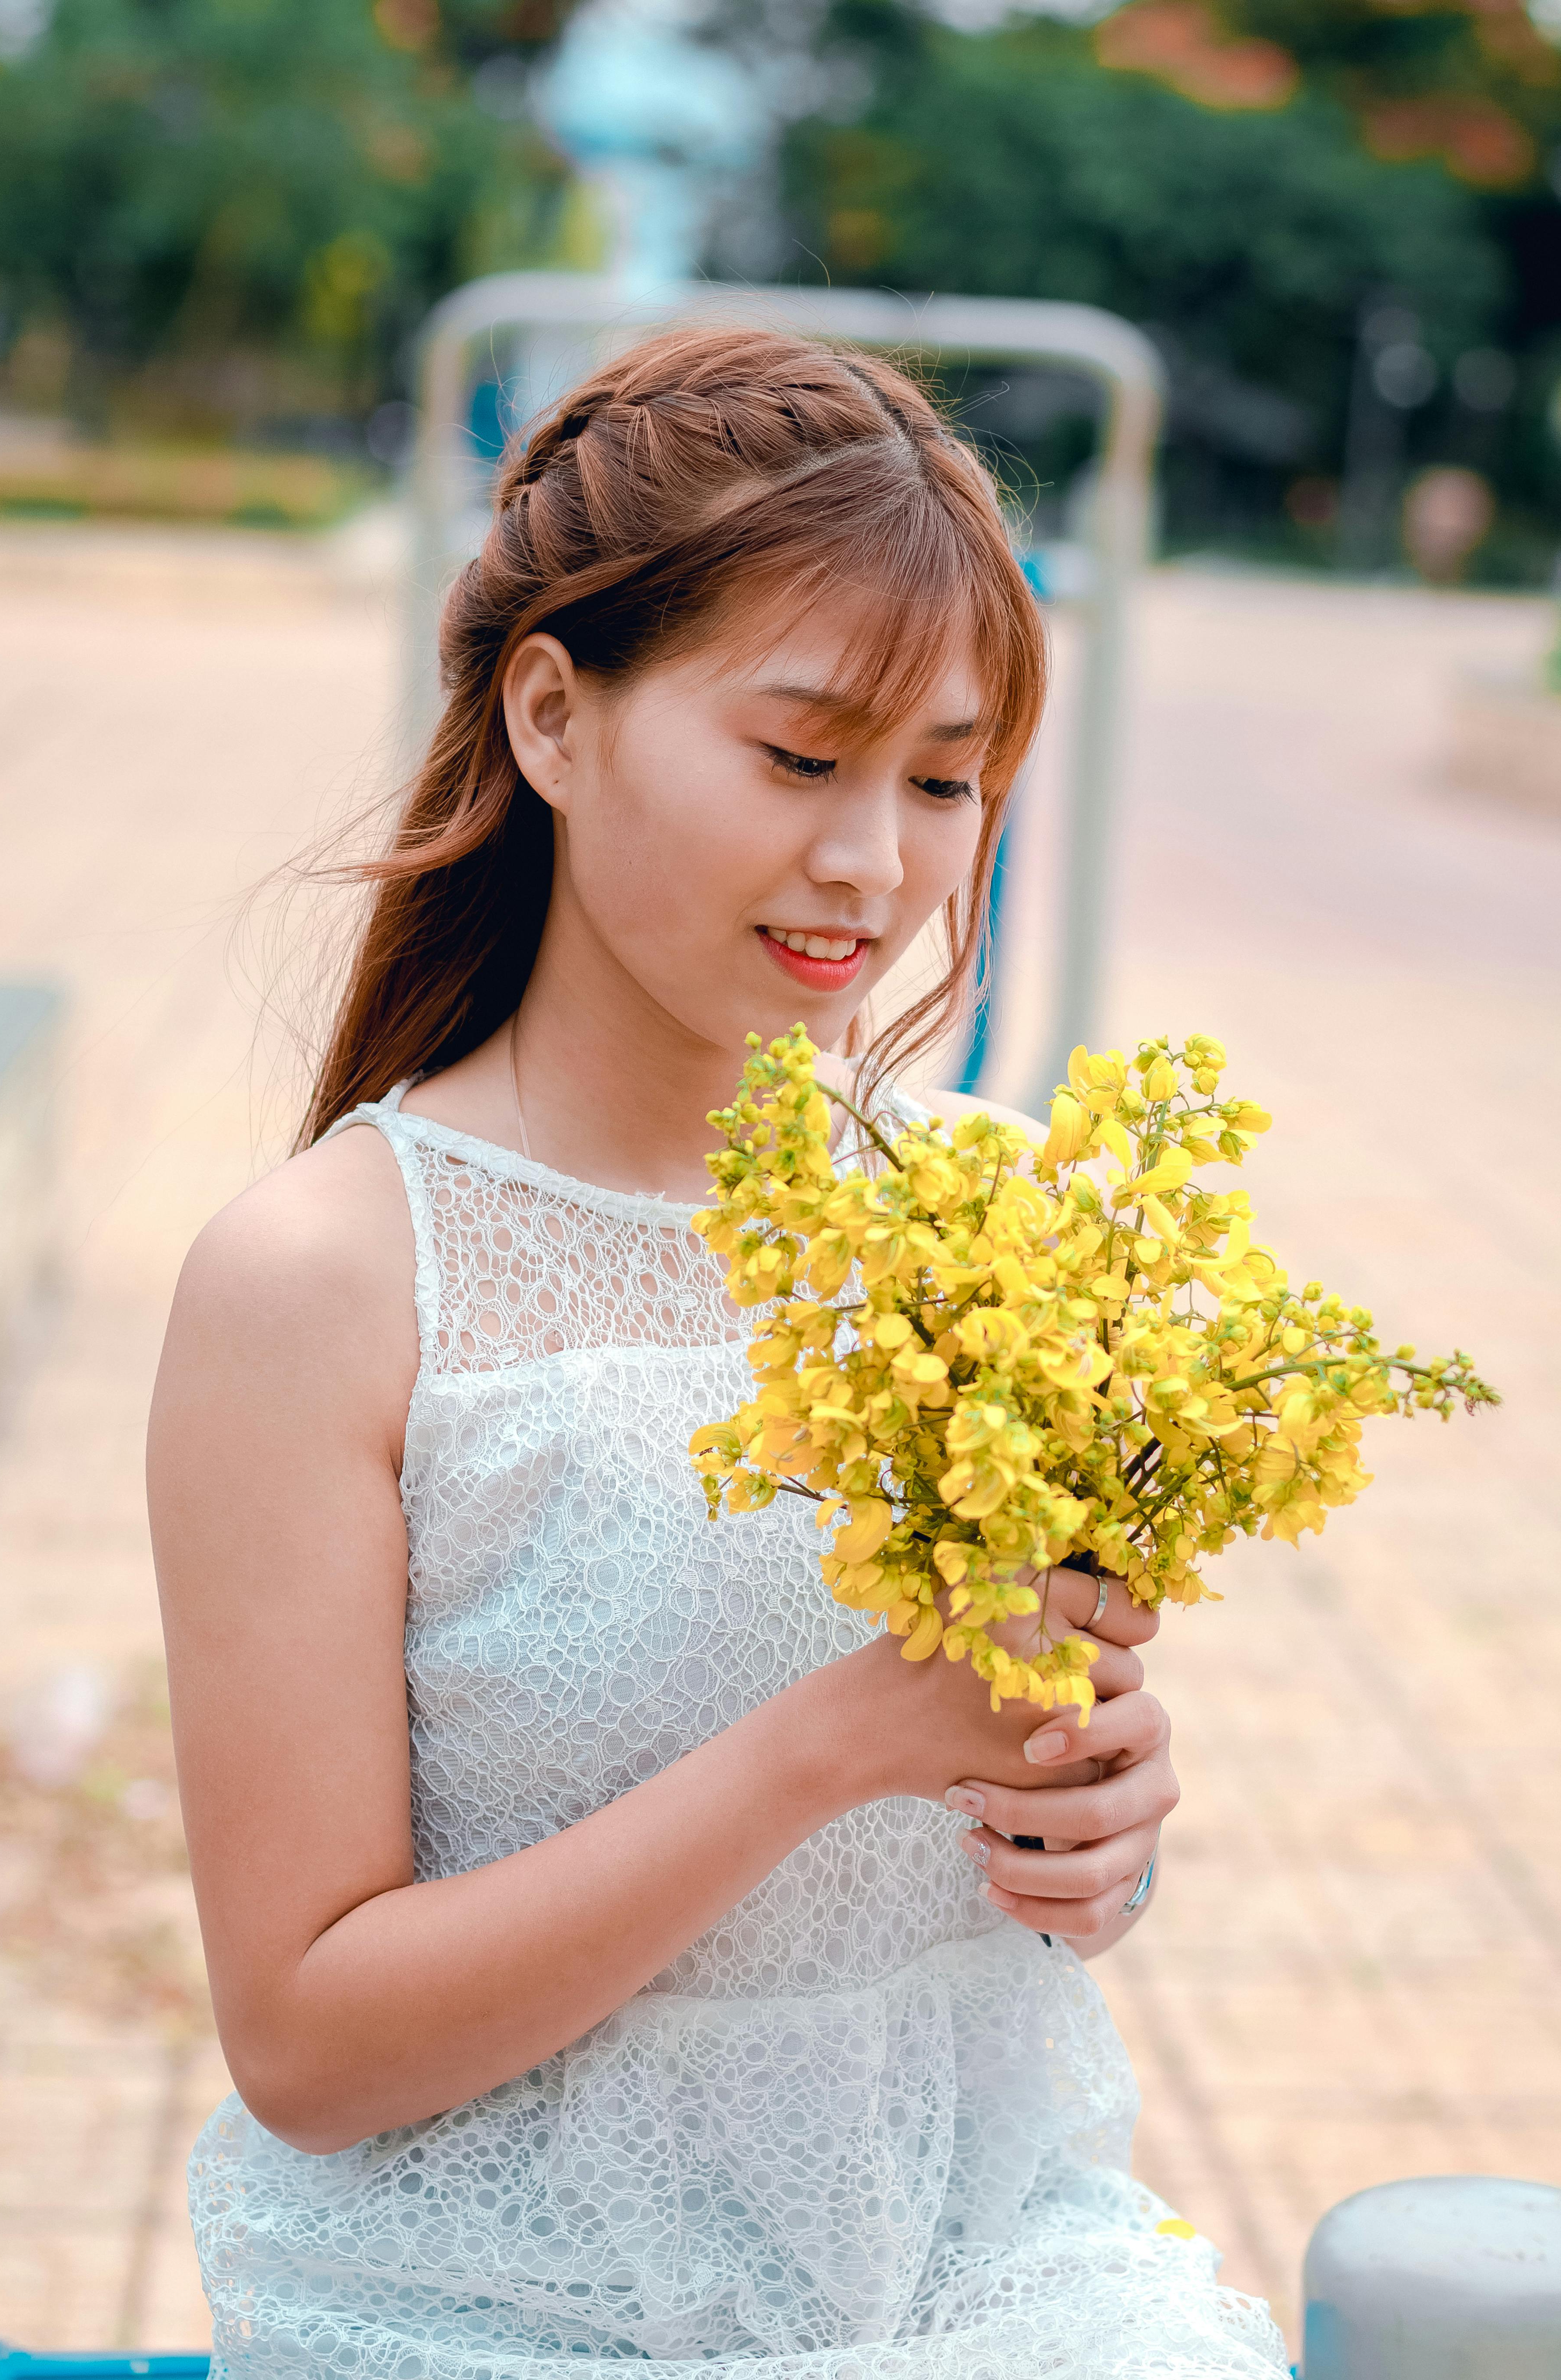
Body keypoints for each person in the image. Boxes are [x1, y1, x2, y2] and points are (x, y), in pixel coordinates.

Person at [148, 324, 1289, 2379]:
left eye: (946, 782)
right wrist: (833, 1745)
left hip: (984, 2264)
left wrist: (1095, 1831)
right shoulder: (323, 1278)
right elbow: (308, 2044)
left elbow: (1001, 1856)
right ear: (553, 715)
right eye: (800, 756)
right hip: (488, 2310)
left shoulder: (1000, 1220)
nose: (875, 862)